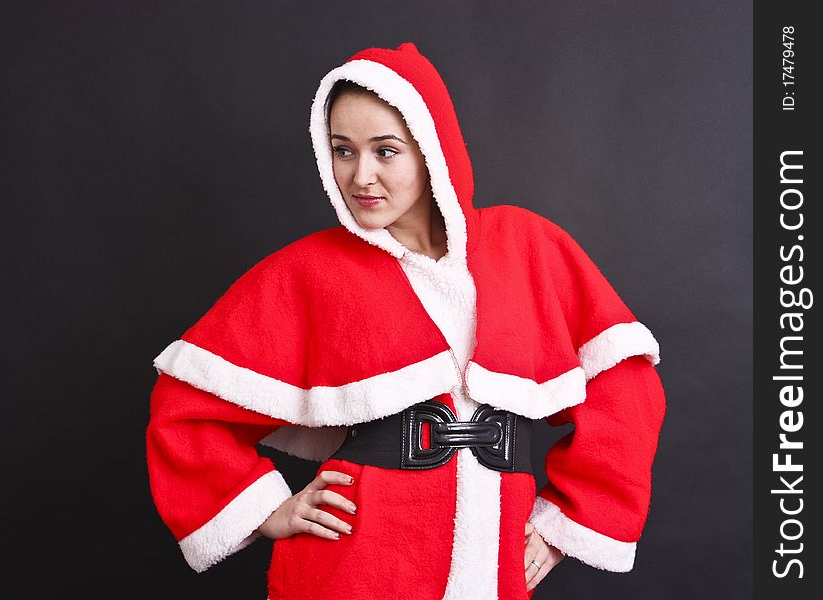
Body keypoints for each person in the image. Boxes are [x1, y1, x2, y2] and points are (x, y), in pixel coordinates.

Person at [146, 42, 666, 600]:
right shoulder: (310, 269)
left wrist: (564, 526)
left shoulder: (526, 246)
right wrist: (269, 511)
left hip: (492, 564)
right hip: (352, 563)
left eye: (385, 151)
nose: (361, 176)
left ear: (431, 150)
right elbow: (185, 408)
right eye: (343, 151)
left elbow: (624, 387)